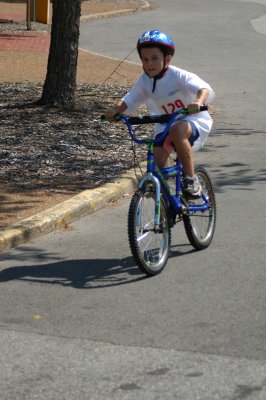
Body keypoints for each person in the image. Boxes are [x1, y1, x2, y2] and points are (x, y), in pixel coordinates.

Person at [105, 30, 215, 197]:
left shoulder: (177, 75)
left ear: (167, 59)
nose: (149, 64)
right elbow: (129, 99)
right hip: (165, 124)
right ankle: (164, 205)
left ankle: (191, 179)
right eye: (145, 59)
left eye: (155, 58)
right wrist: (116, 110)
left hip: (192, 120)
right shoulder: (145, 80)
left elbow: (203, 88)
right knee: (157, 159)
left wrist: (198, 102)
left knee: (177, 130)